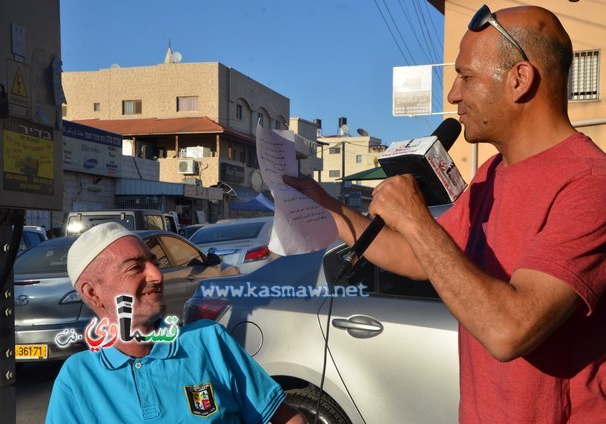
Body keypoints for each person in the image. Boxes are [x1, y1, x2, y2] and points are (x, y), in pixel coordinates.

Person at [286, 5, 606, 423]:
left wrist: (417, 219)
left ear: (519, 80)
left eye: (466, 76)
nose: (453, 94)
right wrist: (324, 205)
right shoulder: (493, 172)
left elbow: (510, 331)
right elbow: (418, 256)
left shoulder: (590, 184)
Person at [46, 222, 305, 424]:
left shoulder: (208, 342)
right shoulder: (78, 378)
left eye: (155, 263)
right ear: (92, 293)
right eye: (135, 268)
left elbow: (288, 418)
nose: (157, 275)